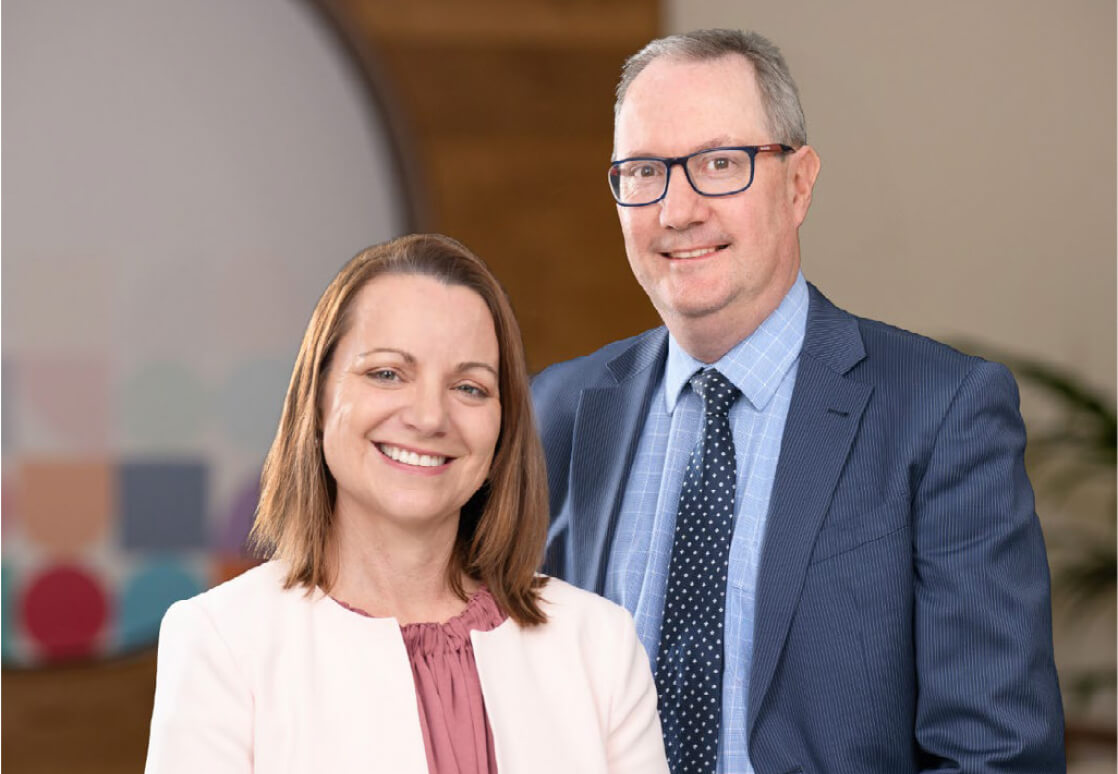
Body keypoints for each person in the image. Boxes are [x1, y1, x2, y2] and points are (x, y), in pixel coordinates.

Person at [532, 29, 1064, 774]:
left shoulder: (942, 413)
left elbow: (996, 754)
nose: (678, 210)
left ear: (798, 183)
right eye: (645, 171)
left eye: (720, 164)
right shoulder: (559, 408)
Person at [145, 233, 669, 774]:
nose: (428, 417)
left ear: (503, 427)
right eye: (387, 374)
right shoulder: (220, 641)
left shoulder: (601, 646)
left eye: (469, 387)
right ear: (320, 398)